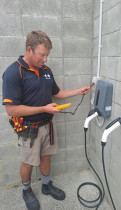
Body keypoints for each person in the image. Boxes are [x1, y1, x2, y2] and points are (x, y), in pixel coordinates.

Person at [2, 30, 90, 210]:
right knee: (28, 161)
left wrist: (77, 91)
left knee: (46, 156)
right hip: (28, 129)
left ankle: (46, 185)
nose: (45, 59)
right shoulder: (14, 72)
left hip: (48, 126)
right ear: (29, 50)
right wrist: (43, 108)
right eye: (42, 55)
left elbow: (56, 93)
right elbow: (11, 109)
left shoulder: (46, 71)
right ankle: (26, 190)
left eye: (47, 55)